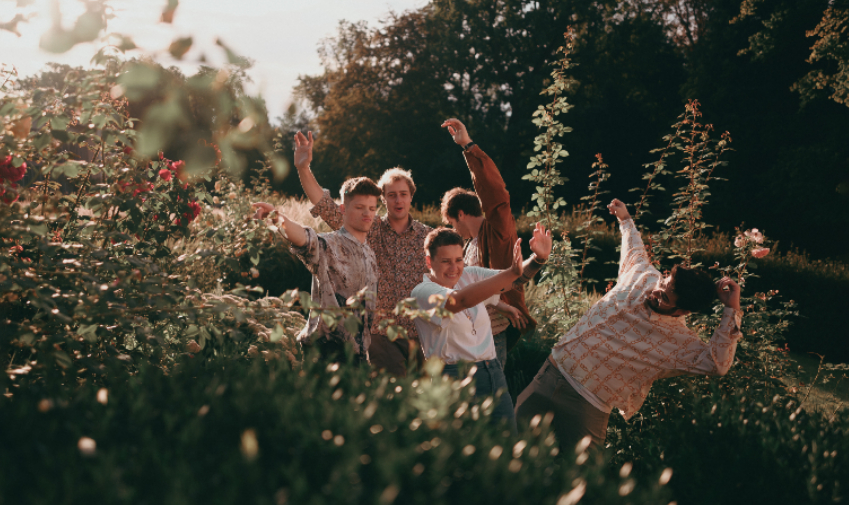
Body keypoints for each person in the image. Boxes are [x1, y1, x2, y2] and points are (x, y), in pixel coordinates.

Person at [514, 198, 743, 450]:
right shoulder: (643, 274)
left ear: (682, 311)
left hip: (587, 404)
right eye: (663, 282)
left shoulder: (679, 342)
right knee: (507, 442)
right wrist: (625, 218)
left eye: (664, 297)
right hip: (550, 373)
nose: (656, 291)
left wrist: (731, 309)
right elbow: (634, 245)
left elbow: (717, 364)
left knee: (583, 479)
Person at [291, 131, 432, 376]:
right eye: (391, 195)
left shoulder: (428, 237)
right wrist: (304, 169)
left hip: (420, 334)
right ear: (384, 200)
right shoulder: (370, 226)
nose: (398, 200)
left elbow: (451, 273)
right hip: (380, 335)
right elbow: (325, 206)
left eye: (403, 194)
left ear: (412, 197)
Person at [411, 223, 552, 433]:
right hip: (454, 379)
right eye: (446, 261)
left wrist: (538, 259)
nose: (454, 268)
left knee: (506, 444)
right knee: (465, 452)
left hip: (492, 372)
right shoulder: (422, 292)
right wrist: (511, 273)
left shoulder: (469, 274)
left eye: (458, 260)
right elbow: (460, 301)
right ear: (429, 261)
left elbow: (513, 280)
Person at [251, 177, 382, 365]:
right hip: (327, 351)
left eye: (372, 208)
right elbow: (304, 238)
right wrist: (276, 217)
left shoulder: (369, 253)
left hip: (359, 354)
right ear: (343, 210)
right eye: (360, 207)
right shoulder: (330, 244)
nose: (367, 214)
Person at [439, 118, 535, 368]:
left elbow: (496, 194)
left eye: (451, 223)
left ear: (460, 214)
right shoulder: (471, 246)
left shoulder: (497, 233)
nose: (454, 230)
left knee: (491, 399)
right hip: (470, 336)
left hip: (493, 335)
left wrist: (469, 147)